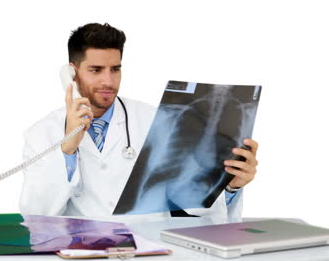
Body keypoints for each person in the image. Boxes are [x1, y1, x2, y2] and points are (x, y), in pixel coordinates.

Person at [19, 23, 259, 218]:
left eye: (115, 69)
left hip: (150, 250)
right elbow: (36, 215)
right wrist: (68, 148)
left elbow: (194, 207)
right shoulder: (42, 134)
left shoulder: (159, 120)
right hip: (83, 251)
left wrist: (230, 186)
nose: (108, 81)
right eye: (95, 70)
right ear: (72, 73)